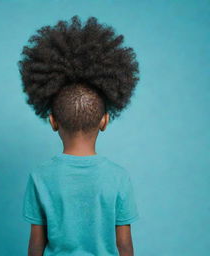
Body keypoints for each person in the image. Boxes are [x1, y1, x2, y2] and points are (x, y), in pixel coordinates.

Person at [18, 15, 140, 256]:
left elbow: (35, 246)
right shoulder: (118, 177)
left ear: (52, 121)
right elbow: (124, 244)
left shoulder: (40, 177)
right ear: (104, 121)